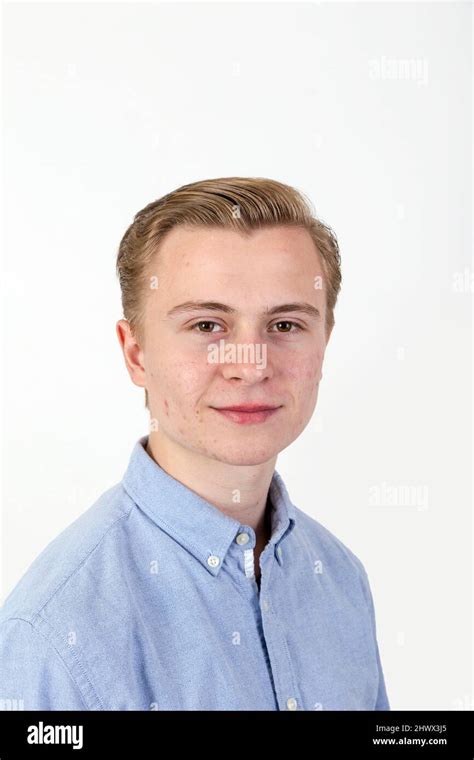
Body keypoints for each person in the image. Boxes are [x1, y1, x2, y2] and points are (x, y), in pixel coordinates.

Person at [0, 177, 390, 710]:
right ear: (136, 354)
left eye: (285, 323)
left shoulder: (340, 580)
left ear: (325, 341)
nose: (250, 366)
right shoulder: (54, 631)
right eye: (208, 324)